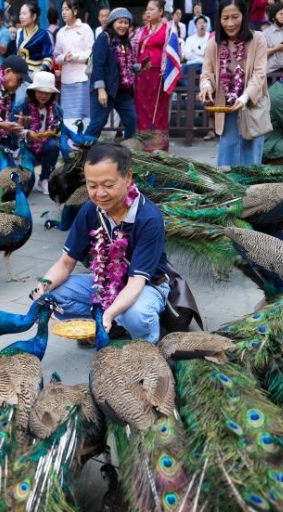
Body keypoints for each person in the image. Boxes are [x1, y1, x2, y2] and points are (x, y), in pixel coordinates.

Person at [34, 142, 170, 344]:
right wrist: (41, 291)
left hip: (146, 286)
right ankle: (110, 326)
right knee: (53, 295)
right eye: (92, 185)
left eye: (108, 185)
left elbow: (135, 283)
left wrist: (108, 314)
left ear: (128, 178)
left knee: (136, 314)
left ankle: (146, 347)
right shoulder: (90, 210)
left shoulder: (148, 218)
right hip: (105, 283)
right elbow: (65, 263)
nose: (100, 193)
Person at [199, 0, 270, 166]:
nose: (230, 23)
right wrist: (207, 86)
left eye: (235, 17)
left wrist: (245, 97)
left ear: (244, 17)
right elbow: (207, 73)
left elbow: (260, 74)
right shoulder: (213, 44)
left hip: (251, 107)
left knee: (250, 158)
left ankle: (251, 192)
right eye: (225, 18)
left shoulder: (258, 39)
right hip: (227, 108)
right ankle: (227, 192)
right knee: (227, 157)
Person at [87, 8, 138, 140]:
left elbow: (125, 67)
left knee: (131, 120)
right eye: (120, 22)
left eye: (126, 23)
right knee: (97, 123)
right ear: (112, 22)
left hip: (123, 92)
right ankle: (81, 155)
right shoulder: (104, 38)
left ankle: (129, 151)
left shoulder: (125, 42)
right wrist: (101, 90)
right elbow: (98, 65)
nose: (123, 26)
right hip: (106, 90)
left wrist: (138, 67)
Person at [133, 0, 176, 152]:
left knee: (159, 113)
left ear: (161, 11)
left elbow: (175, 52)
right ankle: (143, 148)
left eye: (152, 9)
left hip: (158, 75)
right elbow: (134, 51)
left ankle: (159, 149)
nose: (148, 12)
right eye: (147, 9)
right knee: (142, 111)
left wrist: (167, 67)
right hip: (142, 76)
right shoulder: (141, 30)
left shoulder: (168, 29)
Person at [54, 0, 94, 122]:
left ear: (75, 11)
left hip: (82, 78)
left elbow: (90, 53)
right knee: (68, 115)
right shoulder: (60, 32)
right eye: (62, 10)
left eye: (67, 9)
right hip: (66, 80)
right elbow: (57, 56)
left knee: (82, 115)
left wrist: (75, 56)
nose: (63, 13)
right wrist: (65, 58)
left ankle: (81, 140)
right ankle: (69, 140)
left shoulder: (85, 28)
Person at [17, 2, 55, 74]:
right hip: (21, 74)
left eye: (24, 14)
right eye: (20, 14)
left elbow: (48, 57)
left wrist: (41, 69)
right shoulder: (20, 33)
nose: (21, 17)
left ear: (34, 16)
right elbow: (18, 55)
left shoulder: (43, 35)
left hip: (36, 74)